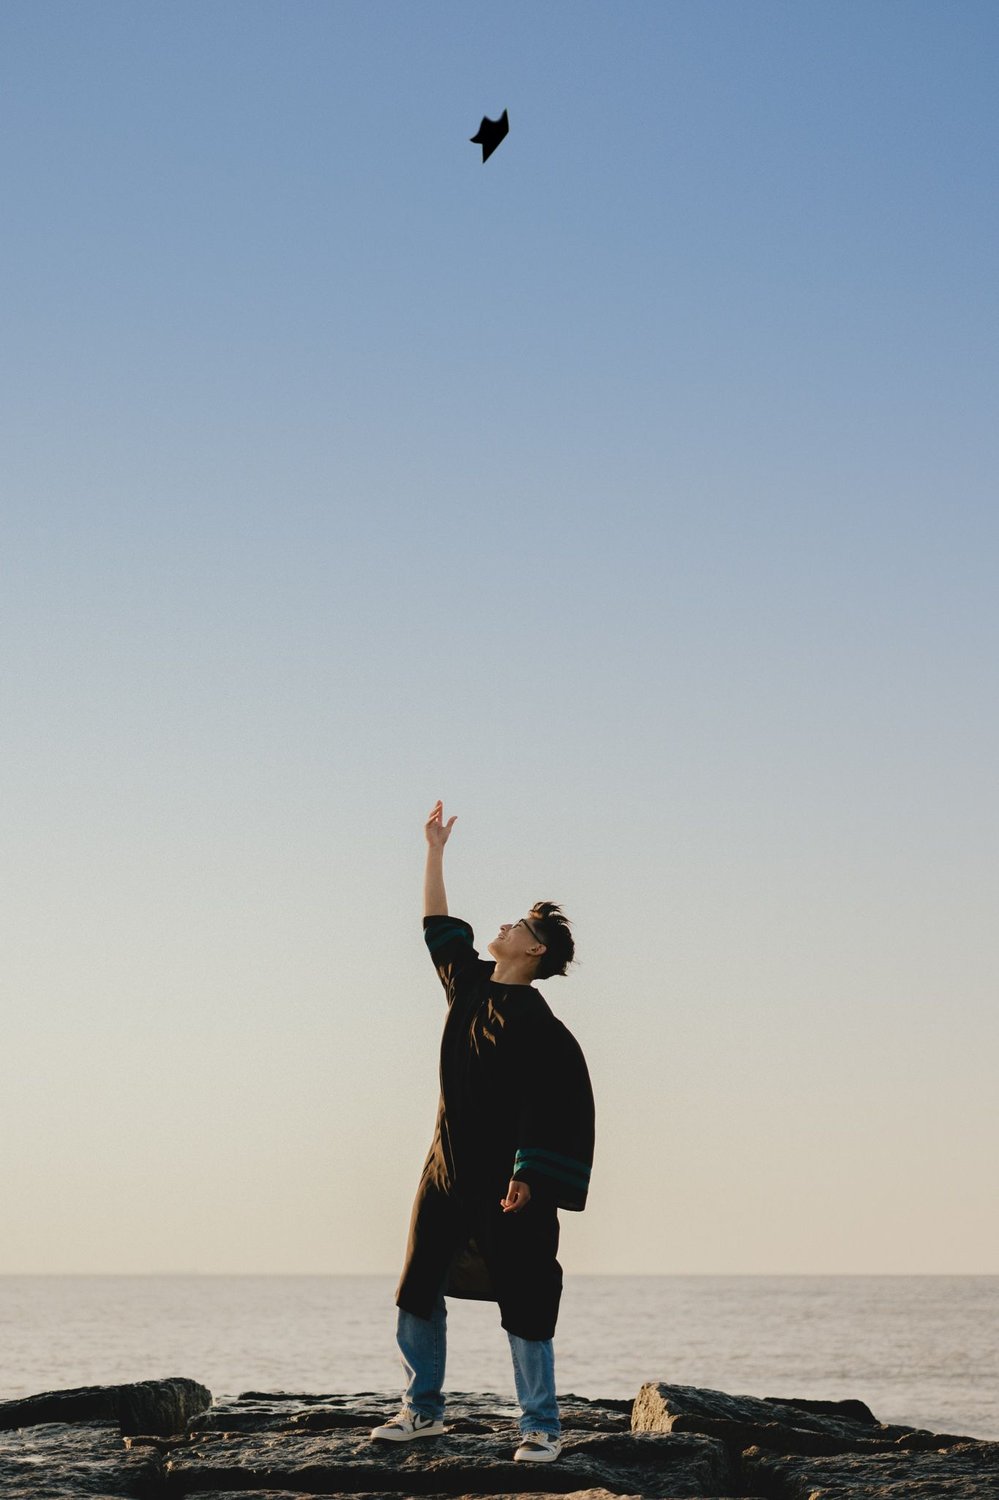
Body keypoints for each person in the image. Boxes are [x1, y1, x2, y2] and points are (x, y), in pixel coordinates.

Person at [370, 801, 595, 1464]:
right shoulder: (466, 983)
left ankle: (540, 1426)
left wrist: (529, 1174)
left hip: (508, 1181)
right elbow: (435, 924)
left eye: (518, 925)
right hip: (445, 1167)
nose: (504, 925)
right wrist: (434, 850)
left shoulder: (541, 1028)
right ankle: (422, 1410)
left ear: (535, 949)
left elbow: (556, 1105)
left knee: (526, 1297)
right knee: (417, 1286)